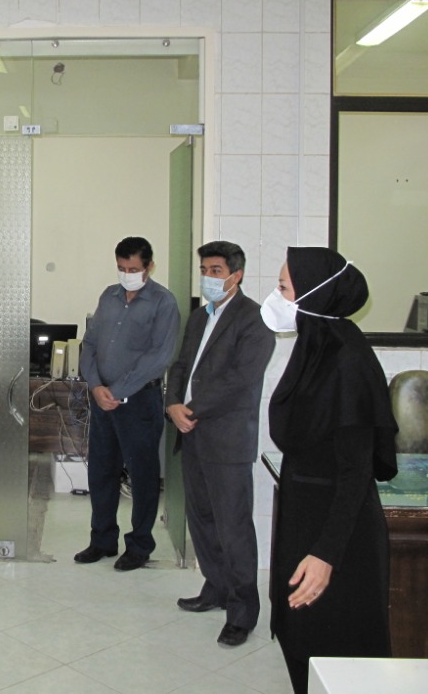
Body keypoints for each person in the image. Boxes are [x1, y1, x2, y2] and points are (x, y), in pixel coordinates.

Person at [262, 247, 398, 694]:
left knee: (336, 653)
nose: (276, 297)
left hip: (337, 537)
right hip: (306, 516)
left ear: (314, 295)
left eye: (283, 288)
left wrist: (325, 555)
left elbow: (356, 473)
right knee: (300, 638)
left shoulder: (347, 362)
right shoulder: (317, 347)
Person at [165, 241, 275, 647]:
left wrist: (190, 410)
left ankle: (242, 612)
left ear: (236, 275)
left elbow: (240, 381)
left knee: (234, 527)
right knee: (202, 520)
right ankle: (215, 588)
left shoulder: (254, 319)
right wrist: (172, 404)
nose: (207, 277)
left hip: (225, 439)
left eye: (215, 270)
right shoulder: (199, 317)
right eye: (204, 270)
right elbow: (181, 366)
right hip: (191, 434)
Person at [75, 236, 179, 571]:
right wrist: (95, 386)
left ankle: (139, 546)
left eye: (133, 269)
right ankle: (102, 540)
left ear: (149, 266)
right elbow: (90, 344)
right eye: (121, 268)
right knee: (101, 472)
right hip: (102, 400)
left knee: (142, 476)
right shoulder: (109, 296)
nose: (126, 274)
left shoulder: (163, 303)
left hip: (139, 401)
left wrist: (117, 390)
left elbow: (159, 357)